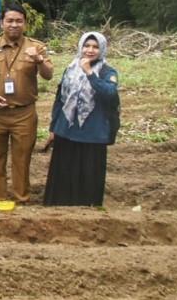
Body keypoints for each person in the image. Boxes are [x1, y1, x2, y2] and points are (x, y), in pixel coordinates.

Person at [0, 3, 54, 205]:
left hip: (24, 112)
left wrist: (38, 60)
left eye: (19, 21)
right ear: (2, 23)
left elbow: (48, 75)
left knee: (22, 158)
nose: (14, 25)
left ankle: (21, 199)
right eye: (10, 20)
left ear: (25, 23)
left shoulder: (36, 47)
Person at [44, 32, 120, 207]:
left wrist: (90, 74)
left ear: (102, 49)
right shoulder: (70, 69)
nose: (90, 50)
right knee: (63, 174)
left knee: (88, 175)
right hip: (66, 131)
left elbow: (110, 93)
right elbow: (60, 99)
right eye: (86, 46)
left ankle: (87, 213)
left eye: (95, 47)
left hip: (92, 134)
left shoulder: (107, 71)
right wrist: (53, 127)